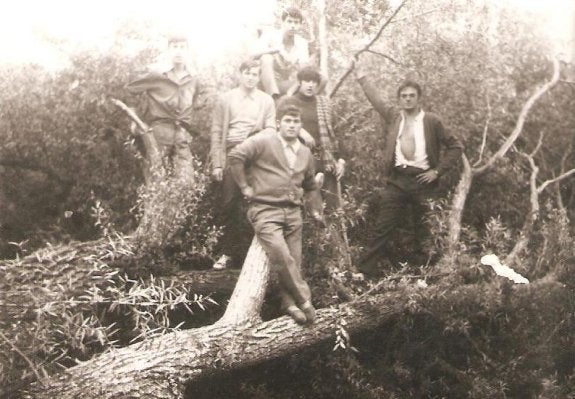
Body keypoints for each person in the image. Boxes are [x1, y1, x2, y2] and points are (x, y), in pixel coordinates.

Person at [354, 56, 464, 272]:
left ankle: (425, 273)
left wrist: (437, 172)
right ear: (399, 99)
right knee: (383, 226)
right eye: (403, 96)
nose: (407, 99)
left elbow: (456, 147)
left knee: (424, 229)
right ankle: (365, 271)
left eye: (412, 96)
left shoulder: (432, 121)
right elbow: (376, 101)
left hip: (424, 181)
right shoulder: (395, 117)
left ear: (419, 98)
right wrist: (362, 78)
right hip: (397, 180)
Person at [227, 104, 319, 325]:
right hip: (265, 210)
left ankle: (288, 304)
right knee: (280, 254)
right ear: (279, 123)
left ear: (301, 125)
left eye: (296, 122)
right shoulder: (264, 140)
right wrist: (244, 187)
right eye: (287, 121)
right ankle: (305, 300)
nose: (291, 125)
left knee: (295, 261)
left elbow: (309, 184)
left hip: (293, 212)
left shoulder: (305, 152)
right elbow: (235, 156)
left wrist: (316, 210)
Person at [210, 60, 276, 270]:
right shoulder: (226, 99)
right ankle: (228, 253)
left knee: (260, 202)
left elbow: (271, 129)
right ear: (240, 74)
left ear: (259, 77)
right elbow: (217, 131)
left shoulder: (266, 101)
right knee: (229, 203)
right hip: (231, 153)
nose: (251, 77)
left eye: (255, 74)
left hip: (256, 155)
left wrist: (254, 140)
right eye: (247, 73)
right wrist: (218, 164)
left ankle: (259, 254)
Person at [126, 35, 202, 184]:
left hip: (182, 136)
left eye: (182, 47)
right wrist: (134, 119)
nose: (178, 52)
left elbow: (192, 103)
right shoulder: (157, 75)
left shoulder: (193, 79)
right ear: (168, 50)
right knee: (156, 183)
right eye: (175, 47)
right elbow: (130, 90)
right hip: (159, 134)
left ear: (188, 51)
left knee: (186, 184)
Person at [277, 66, 345, 212]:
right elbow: (277, 127)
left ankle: (334, 233)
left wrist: (340, 159)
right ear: (300, 82)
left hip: (325, 160)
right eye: (307, 81)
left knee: (333, 206)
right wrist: (300, 131)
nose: (310, 85)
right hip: (299, 161)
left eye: (314, 82)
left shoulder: (323, 103)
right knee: (308, 206)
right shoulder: (288, 102)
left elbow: (335, 131)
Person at [251, 7, 311, 99]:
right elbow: (252, 55)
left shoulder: (302, 43)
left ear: (300, 25)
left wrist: (291, 90)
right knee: (266, 58)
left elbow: (303, 70)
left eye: (296, 22)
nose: (293, 26)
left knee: (321, 78)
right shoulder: (270, 35)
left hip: (289, 83)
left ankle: (306, 102)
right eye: (289, 21)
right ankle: (273, 97)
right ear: (283, 23)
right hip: (268, 81)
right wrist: (275, 50)